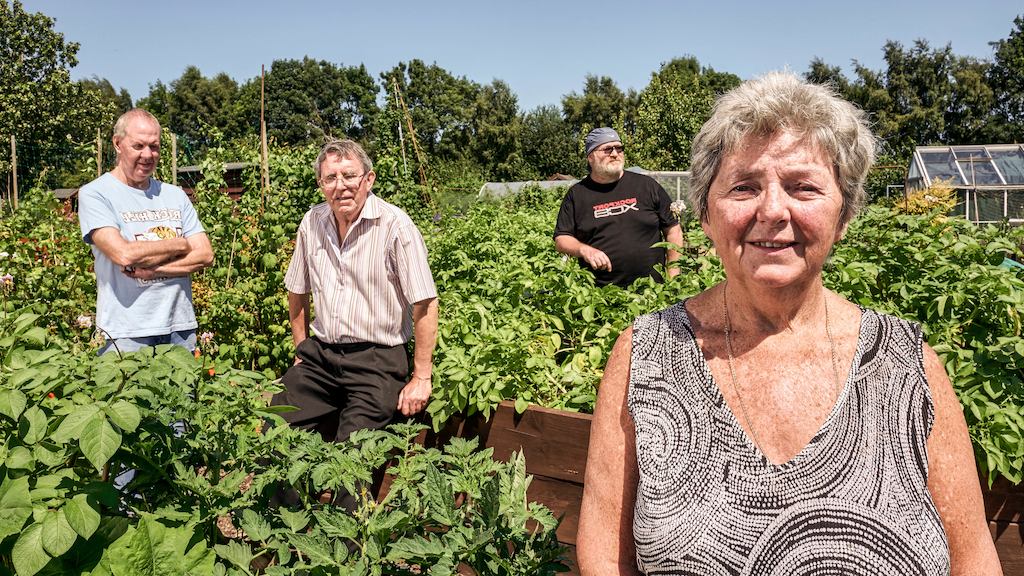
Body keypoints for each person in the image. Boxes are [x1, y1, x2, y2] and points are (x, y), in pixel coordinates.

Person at [577, 73, 1001, 575]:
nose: (773, 210)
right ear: (705, 215)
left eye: (803, 187)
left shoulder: (906, 361)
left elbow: (974, 559)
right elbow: (606, 556)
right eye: (744, 186)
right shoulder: (644, 355)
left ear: (843, 215)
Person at [272, 139, 438, 472]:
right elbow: (296, 290)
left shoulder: (395, 226)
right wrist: (301, 347)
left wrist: (421, 377)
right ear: (321, 185)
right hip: (321, 357)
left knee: (352, 461)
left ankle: (343, 522)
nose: (341, 186)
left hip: (377, 361)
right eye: (330, 178)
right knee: (275, 432)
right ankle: (284, 523)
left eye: (349, 175)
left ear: (368, 179)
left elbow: (425, 303)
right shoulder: (312, 223)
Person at [78, 108, 213, 355]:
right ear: (118, 144)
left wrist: (154, 270)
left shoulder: (174, 194)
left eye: (154, 146)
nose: (147, 155)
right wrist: (180, 245)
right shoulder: (96, 193)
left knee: (183, 394)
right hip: (125, 332)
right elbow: (124, 254)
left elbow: (205, 254)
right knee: (127, 394)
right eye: (138, 146)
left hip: (179, 329)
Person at [554, 127, 683, 287]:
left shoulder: (646, 186)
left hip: (653, 293)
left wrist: (673, 277)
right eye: (607, 149)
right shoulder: (577, 195)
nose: (615, 154)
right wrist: (585, 250)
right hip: (602, 297)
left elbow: (673, 231)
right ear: (591, 157)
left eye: (619, 148)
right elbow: (561, 239)